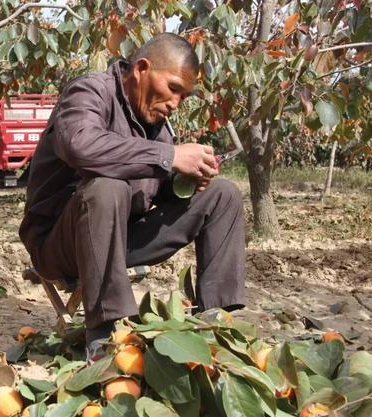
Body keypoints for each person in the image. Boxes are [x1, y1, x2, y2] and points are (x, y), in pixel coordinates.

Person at [19, 33, 246, 357]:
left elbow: (155, 188)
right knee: (107, 187)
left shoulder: (159, 127)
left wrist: (188, 179)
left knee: (224, 195)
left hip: (119, 238)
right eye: (173, 89)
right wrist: (168, 156)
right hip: (59, 244)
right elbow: (79, 145)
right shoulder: (90, 91)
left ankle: (216, 321)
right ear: (141, 69)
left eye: (184, 97)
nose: (175, 103)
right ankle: (103, 337)